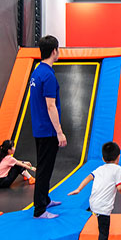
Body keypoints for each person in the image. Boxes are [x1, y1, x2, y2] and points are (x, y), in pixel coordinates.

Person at [68, 141, 121, 240]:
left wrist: (79, 189)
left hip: (93, 203)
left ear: (103, 159)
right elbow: (119, 187)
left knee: (102, 226)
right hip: (103, 207)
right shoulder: (117, 169)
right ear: (118, 157)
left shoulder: (100, 169)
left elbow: (89, 177)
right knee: (103, 234)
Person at [29, 35, 68, 219]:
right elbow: (50, 106)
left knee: (44, 166)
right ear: (54, 51)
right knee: (45, 169)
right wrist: (59, 132)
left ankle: (44, 199)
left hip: (39, 128)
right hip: (48, 130)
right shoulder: (48, 76)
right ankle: (40, 210)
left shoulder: (37, 72)